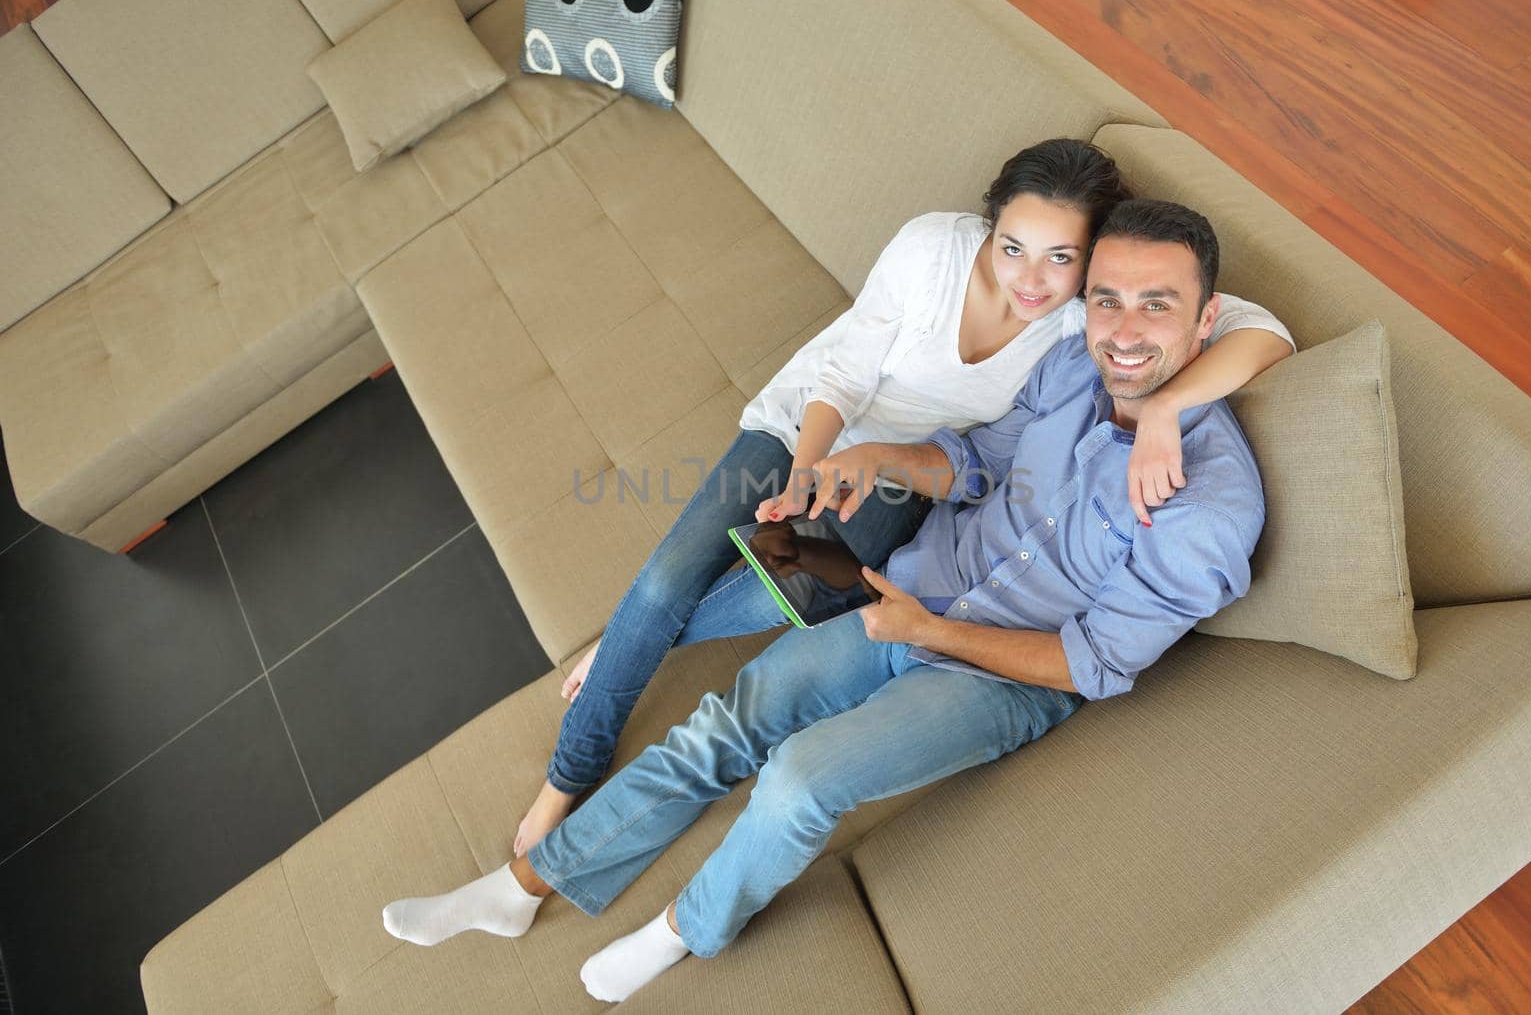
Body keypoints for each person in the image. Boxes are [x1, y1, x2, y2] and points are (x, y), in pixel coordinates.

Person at [383, 199, 1271, 1003]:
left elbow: (1094, 663)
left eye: (1157, 305)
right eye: (1107, 300)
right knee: (730, 720)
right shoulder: (1073, 371)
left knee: (800, 778)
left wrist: (933, 632)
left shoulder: (1212, 507)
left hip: (1005, 678)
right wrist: (881, 459)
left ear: (1208, 321)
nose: (1120, 329)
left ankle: (683, 930)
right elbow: (976, 464)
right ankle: (519, 888)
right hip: (911, 588)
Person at [508, 139, 1295, 857]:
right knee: (664, 580)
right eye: (1013, 246)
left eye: (1062, 260)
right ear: (986, 228)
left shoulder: (1078, 327)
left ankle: (637, 640)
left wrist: (1163, 409)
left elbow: (1261, 329)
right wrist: (805, 471)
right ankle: (569, 772)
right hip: (813, 426)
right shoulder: (933, 249)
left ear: (1088, 268)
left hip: (910, 471)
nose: (1031, 279)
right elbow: (845, 373)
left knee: (794, 590)